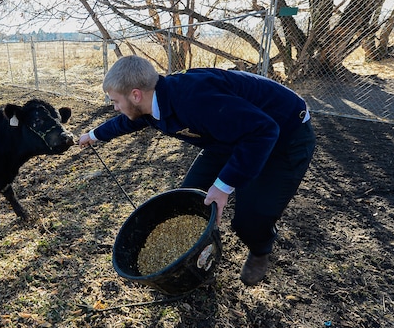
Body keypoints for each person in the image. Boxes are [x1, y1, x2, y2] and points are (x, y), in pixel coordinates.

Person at [79, 56, 315, 286]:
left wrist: (223, 187)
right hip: (230, 135)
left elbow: (263, 132)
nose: (115, 107)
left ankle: (260, 249)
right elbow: (127, 121)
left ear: (135, 94)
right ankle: (194, 258)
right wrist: (93, 136)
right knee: (188, 199)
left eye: (115, 101)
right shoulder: (152, 103)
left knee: (250, 218)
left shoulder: (195, 100)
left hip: (285, 135)